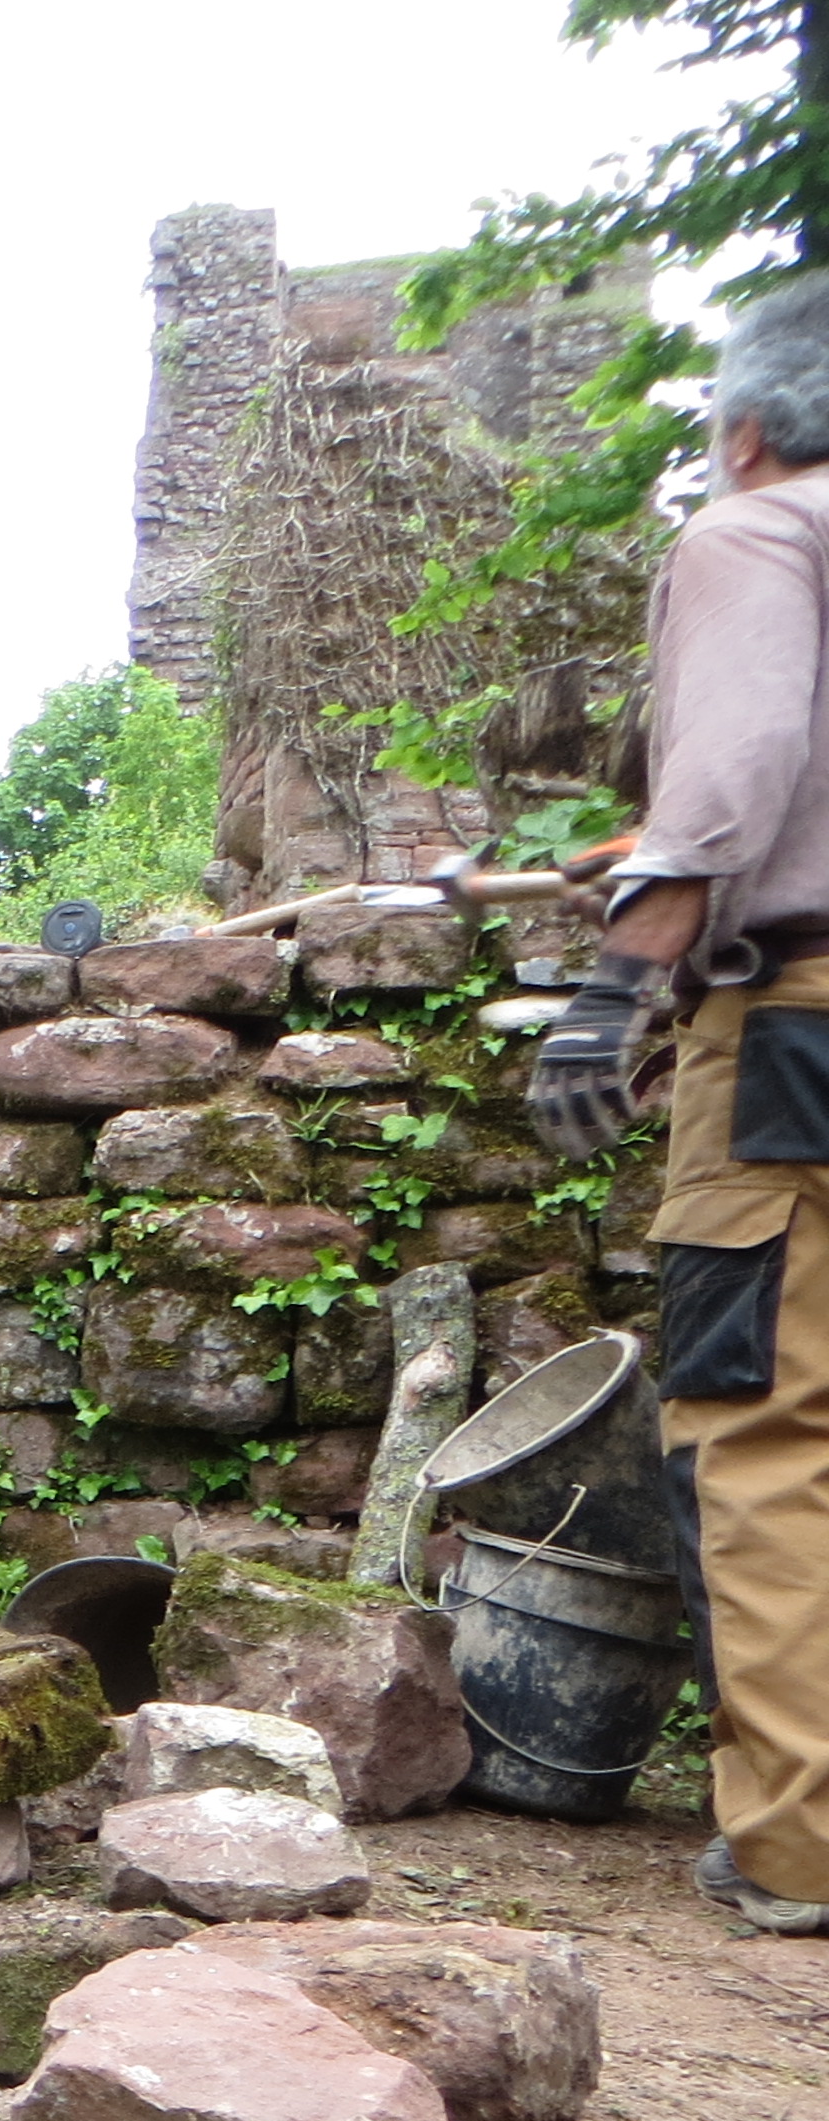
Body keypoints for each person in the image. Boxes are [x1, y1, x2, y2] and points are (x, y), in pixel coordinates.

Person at [525, 274, 829, 1932]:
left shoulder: (761, 530)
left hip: (798, 1038)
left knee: (764, 1421)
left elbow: (730, 773)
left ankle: (800, 1845)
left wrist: (616, 991)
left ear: (750, 428)